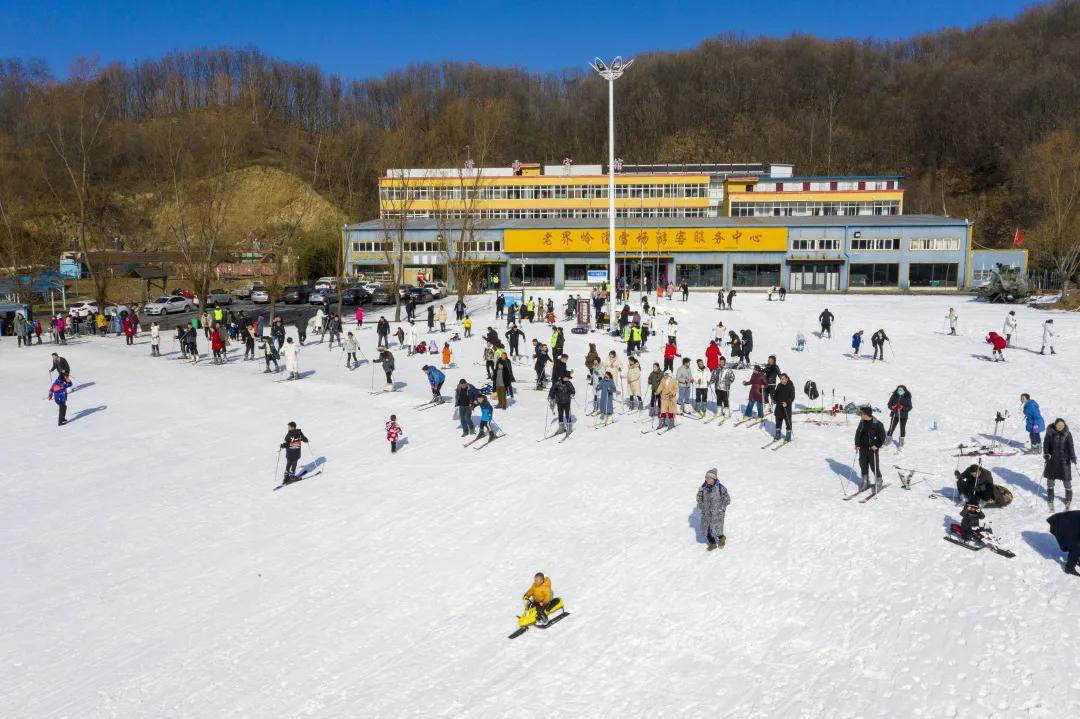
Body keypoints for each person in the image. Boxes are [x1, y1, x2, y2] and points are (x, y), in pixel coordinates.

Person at [1043, 418, 1075, 511]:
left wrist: (1073, 456)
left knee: (1067, 481)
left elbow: (1071, 446)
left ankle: (1068, 499)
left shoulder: (1067, 434)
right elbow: (1046, 444)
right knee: (1050, 481)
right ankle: (1050, 498)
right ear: (1055, 425)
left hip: (1064, 461)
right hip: (1052, 461)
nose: (1060, 427)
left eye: (1062, 425)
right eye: (1058, 425)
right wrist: (1046, 454)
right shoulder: (1050, 433)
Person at [697, 468, 731, 551]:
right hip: (706, 513)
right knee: (707, 530)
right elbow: (699, 497)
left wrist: (721, 509)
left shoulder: (720, 488)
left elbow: (727, 499)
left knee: (717, 529)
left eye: (708, 478)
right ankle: (712, 543)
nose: (706, 479)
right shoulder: (703, 487)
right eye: (706, 477)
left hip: (717, 514)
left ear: (713, 479)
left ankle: (722, 538)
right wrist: (701, 505)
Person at [854, 406, 886, 490]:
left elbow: (882, 436)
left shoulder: (877, 424)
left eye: (862, 413)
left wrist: (877, 445)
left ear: (866, 414)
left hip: (872, 449)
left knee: (874, 466)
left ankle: (879, 481)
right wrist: (857, 444)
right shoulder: (862, 422)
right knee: (863, 465)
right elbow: (858, 433)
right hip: (862, 448)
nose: (860, 414)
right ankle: (865, 481)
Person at [1047, 510, 1080, 576]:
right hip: (1060, 525)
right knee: (1076, 547)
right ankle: (1069, 568)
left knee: (1076, 545)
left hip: (1068, 524)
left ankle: (1076, 559)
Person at [772, 373, 795, 442]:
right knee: (778, 420)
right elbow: (776, 394)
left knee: (788, 421)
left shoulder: (790, 386)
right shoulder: (779, 385)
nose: (781, 380)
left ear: (787, 379)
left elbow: (792, 397)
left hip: (786, 407)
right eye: (780, 379)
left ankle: (788, 435)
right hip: (779, 406)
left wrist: (787, 403)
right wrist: (774, 400)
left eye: (783, 379)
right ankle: (778, 433)